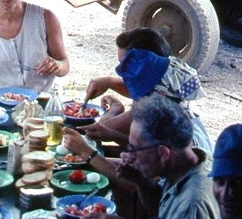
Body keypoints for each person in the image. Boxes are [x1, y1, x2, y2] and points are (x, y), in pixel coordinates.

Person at [77, 94, 219, 219]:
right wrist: (141, 181)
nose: (127, 156)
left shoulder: (192, 206)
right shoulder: (187, 161)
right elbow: (159, 209)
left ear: (163, 153)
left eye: (134, 150)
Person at [63, 27, 211, 153]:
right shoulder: (166, 76)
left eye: (125, 65)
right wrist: (110, 82)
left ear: (140, 67)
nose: (122, 72)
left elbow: (98, 131)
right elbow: (142, 88)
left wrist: (115, 111)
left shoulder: (158, 101)